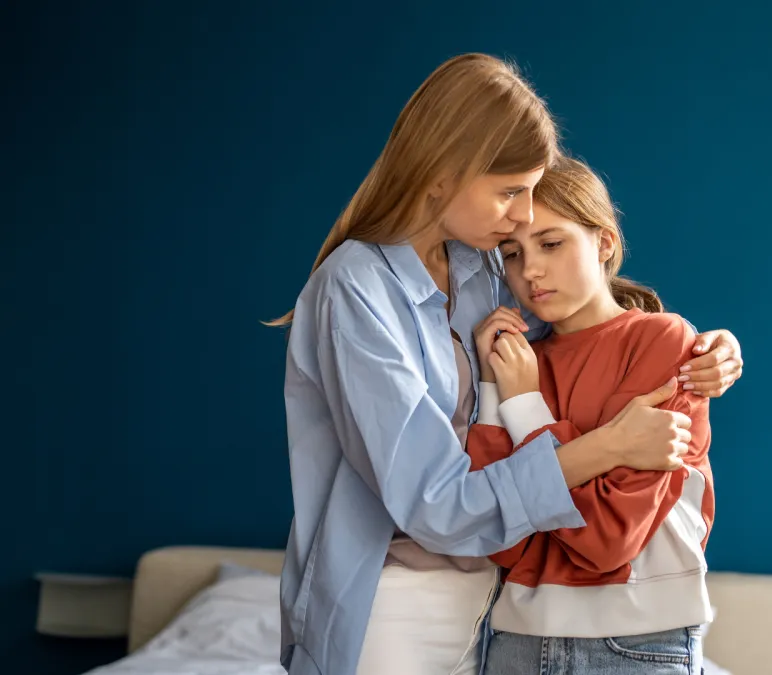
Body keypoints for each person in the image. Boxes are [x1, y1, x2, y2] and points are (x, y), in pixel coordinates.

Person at [271, 53, 744, 675]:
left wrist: (707, 347)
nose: (522, 216)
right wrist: (607, 447)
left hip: (499, 605)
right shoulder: (355, 291)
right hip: (394, 601)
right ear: (443, 173)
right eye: (509, 193)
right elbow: (436, 503)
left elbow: (585, 319)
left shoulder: (484, 269)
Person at [465, 157, 714, 675]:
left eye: (551, 243)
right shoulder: (515, 362)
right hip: (515, 643)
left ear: (603, 243)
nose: (529, 271)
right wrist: (494, 388)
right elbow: (495, 536)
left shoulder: (662, 341)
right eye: (512, 254)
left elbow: (607, 541)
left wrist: (525, 406)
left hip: (637, 645)